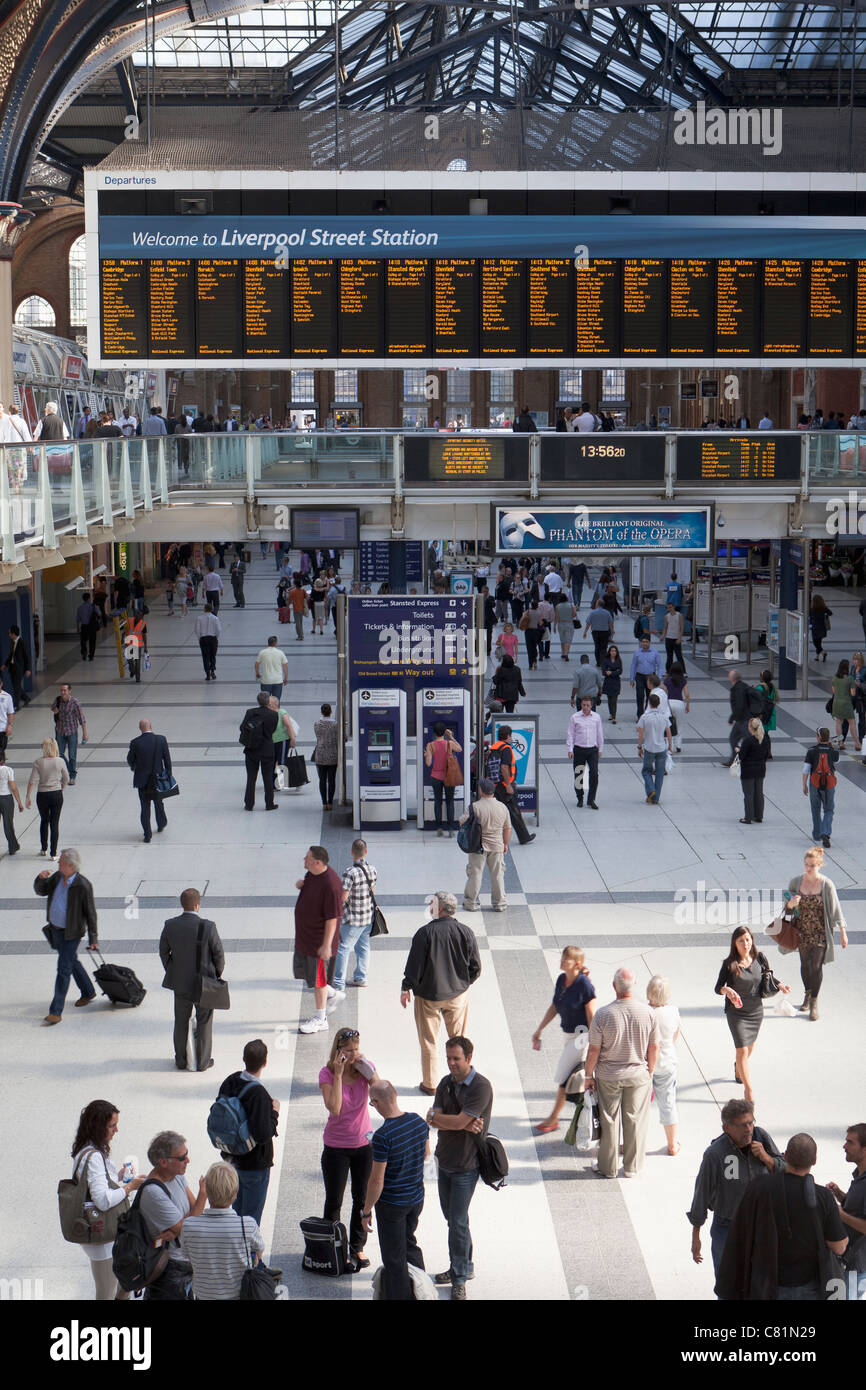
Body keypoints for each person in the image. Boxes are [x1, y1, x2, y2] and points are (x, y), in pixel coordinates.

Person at [715, 1133, 848, 1301]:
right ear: (814, 1160)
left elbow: (740, 1233)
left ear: (785, 1156)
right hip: (808, 1287)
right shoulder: (823, 1197)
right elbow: (839, 1247)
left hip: (765, 1284)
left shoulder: (760, 1187)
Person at [426, 1036, 492, 1301]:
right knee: (454, 1219)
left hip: (467, 1164)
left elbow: (445, 1119)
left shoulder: (481, 1087)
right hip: (444, 1160)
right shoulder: (445, 1083)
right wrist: (456, 1122)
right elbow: (432, 1118)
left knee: (456, 1220)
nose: (451, 1063)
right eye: (449, 1058)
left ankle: (459, 1276)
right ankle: (464, 1265)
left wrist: (448, 1120)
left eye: (457, 1058)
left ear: (469, 1058)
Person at [687, 1099, 786, 1274]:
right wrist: (696, 1235)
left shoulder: (761, 1136)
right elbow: (702, 1192)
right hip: (727, 1227)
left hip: (761, 1225)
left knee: (761, 1282)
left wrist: (766, 1158)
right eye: (742, 1125)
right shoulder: (714, 1154)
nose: (748, 1129)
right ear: (727, 1128)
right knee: (728, 1282)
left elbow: (786, 1170)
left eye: (750, 1123)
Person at [401, 891, 482, 1095]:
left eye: (432, 903)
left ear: (439, 908)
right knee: (459, 1039)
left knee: (429, 1041)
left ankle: (430, 1084)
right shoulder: (466, 932)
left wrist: (406, 987)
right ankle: (461, 1079)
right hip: (457, 996)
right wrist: (463, 983)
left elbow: (414, 968)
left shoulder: (424, 934)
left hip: (428, 996)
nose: (429, 906)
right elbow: (476, 967)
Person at [584, 967, 660, 1180]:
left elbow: (593, 1050)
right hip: (638, 1075)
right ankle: (631, 1167)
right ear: (634, 985)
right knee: (635, 1120)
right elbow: (654, 1048)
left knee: (609, 1120)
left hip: (608, 1076)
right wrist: (650, 1070)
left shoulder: (603, 1014)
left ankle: (607, 1167)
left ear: (614, 986)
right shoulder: (648, 1013)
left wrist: (588, 1076)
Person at [69, 1100, 147, 1299]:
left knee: (126, 1284)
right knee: (106, 1292)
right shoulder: (94, 1156)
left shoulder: (88, 1149)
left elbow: (97, 1184)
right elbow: (103, 1201)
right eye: (112, 1126)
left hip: (107, 1237)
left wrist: (119, 1176)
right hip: (103, 1240)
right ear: (98, 1127)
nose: (116, 1130)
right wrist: (129, 1187)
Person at [361, 1081, 430, 1300]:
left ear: (377, 1102)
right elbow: (426, 1154)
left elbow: (376, 1180)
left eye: (372, 1104)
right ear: (396, 1094)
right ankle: (423, 1289)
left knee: (393, 1258)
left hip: (392, 1205)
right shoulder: (418, 1122)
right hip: (416, 1198)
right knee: (409, 1243)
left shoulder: (383, 1136)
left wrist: (366, 1210)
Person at [319, 1026, 379, 1268]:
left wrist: (369, 1071)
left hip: (363, 1144)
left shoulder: (364, 1068)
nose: (354, 1054)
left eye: (356, 1049)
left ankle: (358, 1246)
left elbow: (381, 1093)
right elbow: (334, 1108)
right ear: (338, 1051)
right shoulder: (327, 1073)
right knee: (334, 1200)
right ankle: (334, 1248)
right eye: (349, 1050)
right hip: (336, 1146)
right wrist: (339, 1074)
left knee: (361, 1198)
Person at [715, 926, 790, 1103]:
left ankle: (738, 1067)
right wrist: (727, 990)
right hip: (736, 1013)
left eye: (748, 939)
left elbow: (768, 976)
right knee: (741, 1049)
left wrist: (780, 985)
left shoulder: (759, 958)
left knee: (749, 1048)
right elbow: (717, 987)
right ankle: (748, 1089)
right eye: (741, 940)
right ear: (735, 943)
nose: (745, 943)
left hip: (756, 1011)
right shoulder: (729, 964)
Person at [532, 947, 597, 1133]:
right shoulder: (562, 980)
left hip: (582, 1036)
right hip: (569, 1035)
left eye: (566, 959)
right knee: (574, 1075)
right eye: (562, 957)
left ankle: (553, 1118)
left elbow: (591, 1014)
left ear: (577, 964)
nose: (562, 961)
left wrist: (594, 1042)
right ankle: (585, 1103)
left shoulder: (584, 985)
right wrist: (539, 1029)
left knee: (563, 1074)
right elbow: (555, 1006)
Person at [160, 888, 225, 1071]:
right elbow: (218, 954)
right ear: (197, 905)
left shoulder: (170, 925)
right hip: (204, 983)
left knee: (181, 1020)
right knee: (204, 1020)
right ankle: (203, 1062)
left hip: (180, 983)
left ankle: (181, 1060)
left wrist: (173, 970)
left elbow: (163, 952)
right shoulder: (208, 926)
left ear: (182, 904)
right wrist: (216, 974)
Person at [216, 1039, 280, 1225]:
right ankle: (249, 1254)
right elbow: (262, 1134)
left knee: (236, 1214)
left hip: (230, 1158)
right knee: (250, 1221)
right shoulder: (258, 1094)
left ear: (243, 1059)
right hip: (254, 1166)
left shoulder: (230, 1080)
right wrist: (274, 1112)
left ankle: (238, 1251)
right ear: (265, 1062)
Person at [179, 1161, 265, 1300]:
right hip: (238, 1294)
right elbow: (259, 1249)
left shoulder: (189, 1226)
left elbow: (186, 1254)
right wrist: (255, 1259)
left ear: (206, 1190)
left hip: (203, 1295)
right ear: (235, 1193)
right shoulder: (247, 1225)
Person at [138, 1131, 206, 1299]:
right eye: (182, 1158)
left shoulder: (176, 1177)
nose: (188, 1160)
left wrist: (181, 1226)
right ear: (163, 1162)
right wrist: (203, 1193)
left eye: (187, 1154)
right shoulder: (153, 1192)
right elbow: (189, 1225)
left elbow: (194, 1214)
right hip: (168, 1268)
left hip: (183, 1263)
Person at [783, 845, 847, 1022]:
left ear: (819, 865)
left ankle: (814, 1002)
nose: (808, 868)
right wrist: (791, 904)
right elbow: (787, 910)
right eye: (806, 864)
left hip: (820, 932)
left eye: (812, 865)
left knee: (816, 966)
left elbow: (836, 910)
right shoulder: (796, 883)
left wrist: (842, 932)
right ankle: (807, 993)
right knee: (805, 965)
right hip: (802, 931)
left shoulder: (826, 884)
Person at [34, 848, 98, 1024]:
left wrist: (93, 938)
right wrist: (40, 879)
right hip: (55, 929)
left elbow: (91, 913)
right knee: (70, 960)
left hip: (72, 932)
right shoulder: (56, 878)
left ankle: (56, 1011)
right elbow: (41, 891)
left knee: (63, 969)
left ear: (70, 865)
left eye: (60, 861)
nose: (58, 864)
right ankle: (88, 991)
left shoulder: (83, 885)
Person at [295, 845, 343, 1034]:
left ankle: (321, 1018)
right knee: (313, 977)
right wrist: (302, 885)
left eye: (306, 858)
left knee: (318, 981)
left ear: (317, 862)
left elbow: (333, 918)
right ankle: (333, 994)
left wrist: (326, 945)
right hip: (307, 939)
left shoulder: (331, 885)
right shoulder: (312, 875)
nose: (303, 860)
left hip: (319, 943)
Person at [333, 839, 378, 992]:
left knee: (343, 948)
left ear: (351, 852)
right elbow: (373, 891)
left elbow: (343, 897)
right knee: (363, 947)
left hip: (352, 919)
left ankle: (338, 983)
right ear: (366, 851)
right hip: (368, 916)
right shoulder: (372, 869)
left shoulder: (349, 873)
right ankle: (361, 977)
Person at [461, 777, 510, 913]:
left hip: (478, 846)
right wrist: (505, 844)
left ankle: (472, 902)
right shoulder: (502, 807)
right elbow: (507, 828)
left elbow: (461, 822)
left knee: (475, 873)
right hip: (497, 846)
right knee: (497, 874)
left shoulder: (475, 807)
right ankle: (499, 903)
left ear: (481, 791)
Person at [827, 1124, 866, 1288]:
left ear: (864, 1150)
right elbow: (858, 1208)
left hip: (854, 1267)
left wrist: (840, 1215)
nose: (844, 1146)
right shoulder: (859, 1176)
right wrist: (841, 1195)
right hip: (847, 1264)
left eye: (850, 1142)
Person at [646, 975, 680, 1156]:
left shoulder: (645, 1012)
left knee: (638, 1105)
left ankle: (629, 1142)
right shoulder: (673, 1011)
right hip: (667, 1061)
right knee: (668, 1103)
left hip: (645, 1065)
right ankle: (672, 1143)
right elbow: (675, 1035)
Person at [487, 724, 535, 845]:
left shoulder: (494, 747)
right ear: (508, 736)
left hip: (496, 785)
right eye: (511, 736)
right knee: (514, 811)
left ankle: (490, 837)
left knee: (496, 812)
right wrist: (508, 784)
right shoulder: (506, 749)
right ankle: (524, 837)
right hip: (504, 786)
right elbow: (504, 767)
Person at [127, 718, 172, 842]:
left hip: (142, 780)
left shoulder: (135, 743)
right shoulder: (161, 740)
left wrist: (135, 767)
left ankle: (147, 834)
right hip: (157, 778)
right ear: (151, 726)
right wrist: (168, 775)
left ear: (140, 728)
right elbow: (167, 760)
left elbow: (130, 759)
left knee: (145, 806)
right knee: (159, 802)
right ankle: (161, 823)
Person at [26, 738, 69, 858]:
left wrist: (28, 796)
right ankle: (53, 853)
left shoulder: (38, 762)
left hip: (42, 795)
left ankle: (44, 848)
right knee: (55, 823)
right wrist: (61, 787)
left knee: (44, 820)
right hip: (56, 793)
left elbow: (32, 781)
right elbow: (66, 777)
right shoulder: (60, 761)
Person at [241, 691, 279, 811]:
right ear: (268, 701)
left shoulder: (250, 712)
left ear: (258, 701)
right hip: (267, 749)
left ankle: (249, 804)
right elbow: (273, 729)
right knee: (267, 777)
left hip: (252, 749)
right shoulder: (273, 714)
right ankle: (269, 803)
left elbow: (242, 728)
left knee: (251, 778)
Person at [423, 721, 463, 836]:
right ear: (444, 732)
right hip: (449, 776)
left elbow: (428, 763)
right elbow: (460, 749)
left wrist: (427, 755)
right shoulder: (449, 743)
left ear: (434, 733)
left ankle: (439, 828)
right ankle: (450, 829)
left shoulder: (430, 745)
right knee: (450, 802)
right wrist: (451, 736)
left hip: (435, 777)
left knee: (438, 801)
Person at [566, 695, 603, 810]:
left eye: (588, 705)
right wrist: (570, 749)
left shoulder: (596, 717)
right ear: (581, 705)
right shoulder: (575, 717)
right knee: (578, 776)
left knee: (594, 774)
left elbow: (599, 734)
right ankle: (580, 798)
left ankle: (591, 799)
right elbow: (570, 734)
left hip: (592, 750)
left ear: (591, 705)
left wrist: (600, 749)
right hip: (579, 749)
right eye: (583, 705)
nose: (585, 707)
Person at [637, 691, 672, 805]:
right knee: (660, 773)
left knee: (646, 771)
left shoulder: (644, 717)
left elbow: (641, 734)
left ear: (649, 703)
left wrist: (639, 747)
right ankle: (655, 798)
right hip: (661, 748)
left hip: (649, 748)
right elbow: (668, 732)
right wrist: (670, 746)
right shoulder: (664, 717)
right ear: (659, 703)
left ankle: (651, 789)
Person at [737, 716, 771, 824]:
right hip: (760, 769)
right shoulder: (766, 740)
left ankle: (748, 817)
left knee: (749, 794)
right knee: (759, 793)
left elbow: (741, 756)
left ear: (751, 728)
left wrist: (738, 750)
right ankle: (759, 816)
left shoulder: (748, 741)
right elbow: (766, 755)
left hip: (748, 771)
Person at [51, 683, 87, 784]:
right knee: (59, 754)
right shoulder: (58, 700)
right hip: (60, 731)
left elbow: (82, 719)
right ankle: (66, 770)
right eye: (61, 690)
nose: (63, 692)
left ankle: (72, 776)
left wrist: (85, 733)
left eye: (65, 690)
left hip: (72, 731)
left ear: (69, 691)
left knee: (72, 755)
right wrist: (55, 710)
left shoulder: (75, 703)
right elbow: (52, 707)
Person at [312, 701, 338, 810]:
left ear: (321, 712)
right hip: (333, 754)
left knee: (322, 780)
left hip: (320, 754)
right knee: (331, 779)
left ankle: (324, 803)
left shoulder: (317, 724)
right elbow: (343, 738)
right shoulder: (336, 724)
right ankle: (331, 802)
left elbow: (318, 736)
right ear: (331, 712)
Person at [629, 636, 664, 719]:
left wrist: (658, 678)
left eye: (646, 642)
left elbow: (660, 666)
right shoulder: (637, 652)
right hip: (639, 676)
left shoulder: (655, 652)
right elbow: (633, 666)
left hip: (651, 677)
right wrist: (632, 678)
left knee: (650, 696)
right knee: (640, 696)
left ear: (650, 642)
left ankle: (647, 713)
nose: (644, 643)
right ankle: (640, 715)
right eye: (643, 641)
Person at [831, 659, 862, 751]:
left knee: (838, 722)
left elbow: (834, 691)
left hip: (836, 703)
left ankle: (841, 743)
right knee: (852, 723)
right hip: (846, 703)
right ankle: (857, 743)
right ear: (847, 668)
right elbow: (853, 693)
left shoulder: (835, 678)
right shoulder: (849, 679)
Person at [722, 668, 751, 765]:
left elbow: (739, 705)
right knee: (734, 738)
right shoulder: (742, 686)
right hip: (741, 719)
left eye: (729, 675)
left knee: (747, 738)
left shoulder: (738, 689)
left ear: (732, 678)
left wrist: (732, 718)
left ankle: (750, 758)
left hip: (743, 719)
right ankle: (734, 759)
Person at [1, 624, 31, 707]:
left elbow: (27, 656)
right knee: (16, 686)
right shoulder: (13, 642)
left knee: (16, 687)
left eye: (10, 633)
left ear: (14, 634)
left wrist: (28, 669)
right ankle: (26, 698)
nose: (9, 635)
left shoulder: (22, 642)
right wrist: (5, 664)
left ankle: (16, 705)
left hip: (19, 668)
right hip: (12, 668)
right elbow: (11, 655)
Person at [0, 750, 23, 855]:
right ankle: (13, 846)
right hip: (6, 799)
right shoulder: (8, 770)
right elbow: (13, 787)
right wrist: (19, 802)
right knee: (8, 824)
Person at [663, 662, 689, 752]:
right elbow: (687, 695)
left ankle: (669, 746)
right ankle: (678, 745)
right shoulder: (683, 680)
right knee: (679, 725)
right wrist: (687, 705)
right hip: (679, 703)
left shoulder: (667, 680)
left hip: (669, 703)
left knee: (669, 725)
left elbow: (663, 691)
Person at [255, 636, 288, 702]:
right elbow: (285, 667)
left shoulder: (262, 652)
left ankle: (266, 712)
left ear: (268, 643)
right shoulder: (280, 653)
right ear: (276, 643)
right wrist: (286, 678)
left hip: (266, 681)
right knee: (276, 702)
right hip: (278, 681)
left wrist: (257, 673)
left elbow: (256, 665)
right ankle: (275, 712)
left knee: (265, 702)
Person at [194, 603, 221, 680]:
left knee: (205, 657)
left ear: (204, 609)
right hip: (213, 639)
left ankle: (207, 674)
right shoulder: (215, 618)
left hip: (204, 639)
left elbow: (197, 630)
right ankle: (212, 671)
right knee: (213, 655)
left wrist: (200, 638)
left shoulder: (199, 618)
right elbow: (218, 630)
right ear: (212, 609)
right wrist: (216, 637)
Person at [584, 602, 615, 666]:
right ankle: (603, 661)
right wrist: (612, 631)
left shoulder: (592, 613)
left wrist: (585, 632)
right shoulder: (607, 612)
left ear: (597, 605)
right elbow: (611, 623)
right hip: (605, 632)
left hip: (595, 632)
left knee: (597, 646)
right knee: (603, 647)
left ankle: (598, 661)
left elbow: (588, 623)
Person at [600, 645, 622, 723]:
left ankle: (614, 717)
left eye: (615, 651)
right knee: (609, 699)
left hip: (616, 682)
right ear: (609, 652)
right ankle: (611, 713)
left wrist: (611, 672)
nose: (613, 652)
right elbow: (604, 672)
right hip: (608, 682)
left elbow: (620, 671)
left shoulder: (618, 660)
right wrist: (614, 671)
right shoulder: (606, 660)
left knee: (614, 700)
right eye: (612, 651)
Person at [661, 602, 684, 671]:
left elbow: (682, 627)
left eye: (670, 607)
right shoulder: (666, 616)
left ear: (673, 607)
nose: (669, 609)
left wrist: (680, 638)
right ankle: (668, 671)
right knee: (669, 656)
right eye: (668, 608)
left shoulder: (679, 615)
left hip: (676, 638)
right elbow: (665, 627)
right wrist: (663, 636)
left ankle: (683, 671)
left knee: (679, 656)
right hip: (668, 638)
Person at [754, 668, 776, 741]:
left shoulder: (760, 687)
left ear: (762, 678)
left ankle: (764, 749)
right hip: (771, 711)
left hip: (762, 712)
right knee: (766, 733)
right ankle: (767, 749)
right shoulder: (772, 686)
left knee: (761, 734)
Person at [125, 612, 147, 683]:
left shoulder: (143, 624)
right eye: (137, 614)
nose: (138, 616)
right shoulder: (130, 620)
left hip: (138, 644)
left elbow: (144, 635)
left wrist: (146, 646)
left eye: (140, 615)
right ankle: (132, 671)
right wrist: (123, 636)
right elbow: (125, 629)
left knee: (137, 661)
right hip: (129, 643)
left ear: (141, 616)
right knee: (129, 659)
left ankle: (138, 677)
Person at [809, 594, 832, 661]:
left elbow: (809, 617)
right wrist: (825, 615)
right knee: (819, 642)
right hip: (822, 627)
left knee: (815, 643)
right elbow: (830, 613)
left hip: (815, 628)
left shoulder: (812, 609)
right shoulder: (824, 608)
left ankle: (823, 653)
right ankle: (817, 657)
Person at [0, 675, 13, 754]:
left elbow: (10, 713)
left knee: (2, 750)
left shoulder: (7, 697)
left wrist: (10, 725)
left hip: (2, 729)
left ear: (1, 684)